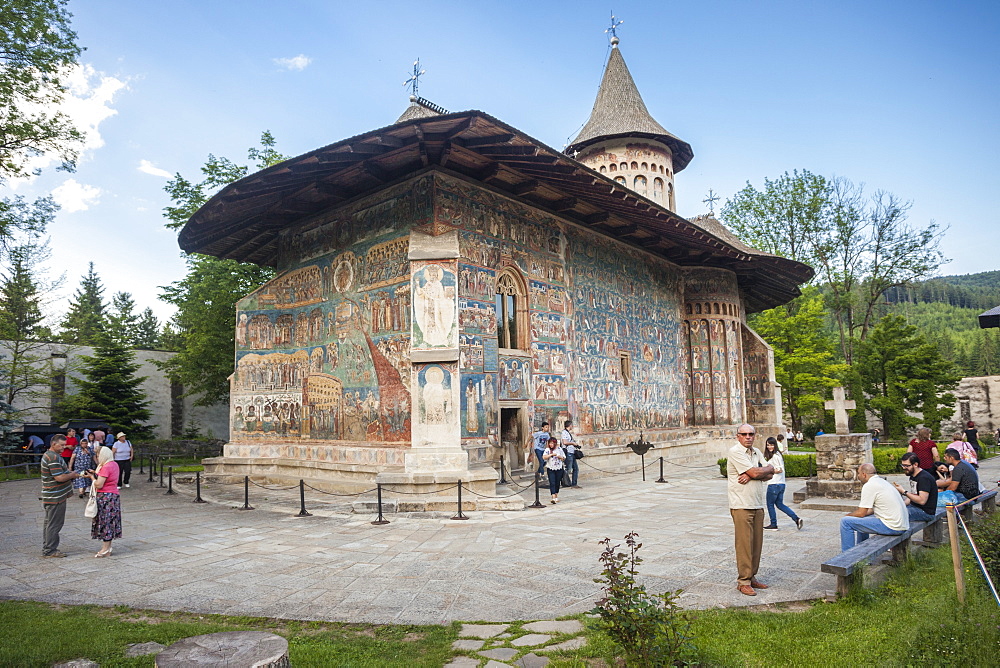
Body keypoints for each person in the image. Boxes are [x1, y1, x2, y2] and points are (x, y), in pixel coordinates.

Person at [727, 424, 774, 596]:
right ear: (737, 436)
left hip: (757, 504)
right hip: (741, 504)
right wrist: (755, 472)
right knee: (744, 545)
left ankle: (752, 576)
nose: (748, 437)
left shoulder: (756, 452)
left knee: (756, 544)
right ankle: (743, 581)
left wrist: (754, 473)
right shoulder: (735, 452)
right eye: (744, 434)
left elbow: (771, 472)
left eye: (751, 434)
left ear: (755, 436)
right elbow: (760, 472)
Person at [839, 463, 909, 552]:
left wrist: (848, 515)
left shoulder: (869, 485)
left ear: (864, 474)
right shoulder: (882, 482)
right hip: (902, 525)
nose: (858, 476)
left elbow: (861, 513)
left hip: (893, 527)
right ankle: (862, 552)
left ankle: (847, 558)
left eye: (859, 473)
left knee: (845, 522)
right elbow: (868, 511)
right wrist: (855, 516)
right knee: (861, 519)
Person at [40, 434, 84, 557]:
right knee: (54, 524)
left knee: (49, 523)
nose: (64, 447)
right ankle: (50, 550)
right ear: (54, 444)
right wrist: (73, 475)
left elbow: (61, 473)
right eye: (62, 445)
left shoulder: (51, 455)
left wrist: (68, 473)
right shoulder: (52, 457)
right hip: (55, 497)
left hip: (53, 495)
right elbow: (59, 477)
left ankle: (47, 547)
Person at [85, 447, 121, 557]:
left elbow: (99, 484)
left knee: (105, 522)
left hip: (105, 496)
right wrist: (96, 474)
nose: (97, 457)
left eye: (98, 454)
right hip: (113, 495)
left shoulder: (106, 467)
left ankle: (105, 549)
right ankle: (108, 547)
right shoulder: (114, 464)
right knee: (110, 521)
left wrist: (92, 477)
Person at [762, 437, 803, 531]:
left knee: (770, 504)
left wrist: (768, 472)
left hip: (774, 484)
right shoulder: (778, 455)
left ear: (775, 445)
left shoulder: (775, 456)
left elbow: (779, 469)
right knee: (780, 504)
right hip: (781, 484)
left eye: (771, 444)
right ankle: (796, 519)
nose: (769, 447)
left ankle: (773, 524)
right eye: (768, 445)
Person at [893, 453, 938, 522]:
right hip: (914, 507)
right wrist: (902, 505)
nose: (904, 468)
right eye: (902, 465)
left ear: (915, 465)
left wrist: (904, 492)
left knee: (896, 515)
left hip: (925, 512)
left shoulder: (924, 478)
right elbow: (913, 495)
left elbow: (922, 501)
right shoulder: (913, 475)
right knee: (893, 509)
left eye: (906, 466)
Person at [542, 436, 566, 504]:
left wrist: (559, 457)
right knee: (552, 482)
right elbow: (544, 457)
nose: (551, 445)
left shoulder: (559, 449)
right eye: (550, 443)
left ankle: (556, 495)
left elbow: (564, 458)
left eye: (552, 443)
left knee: (557, 482)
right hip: (551, 468)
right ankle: (553, 497)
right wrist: (551, 454)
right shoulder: (547, 450)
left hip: (559, 468)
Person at [560, 420, 580, 488]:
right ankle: (563, 482)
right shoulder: (564, 432)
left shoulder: (568, 433)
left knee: (576, 468)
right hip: (568, 452)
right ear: (570, 425)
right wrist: (572, 443)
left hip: (572, 452)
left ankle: (574, 483)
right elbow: (565, 442)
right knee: (568, 469)